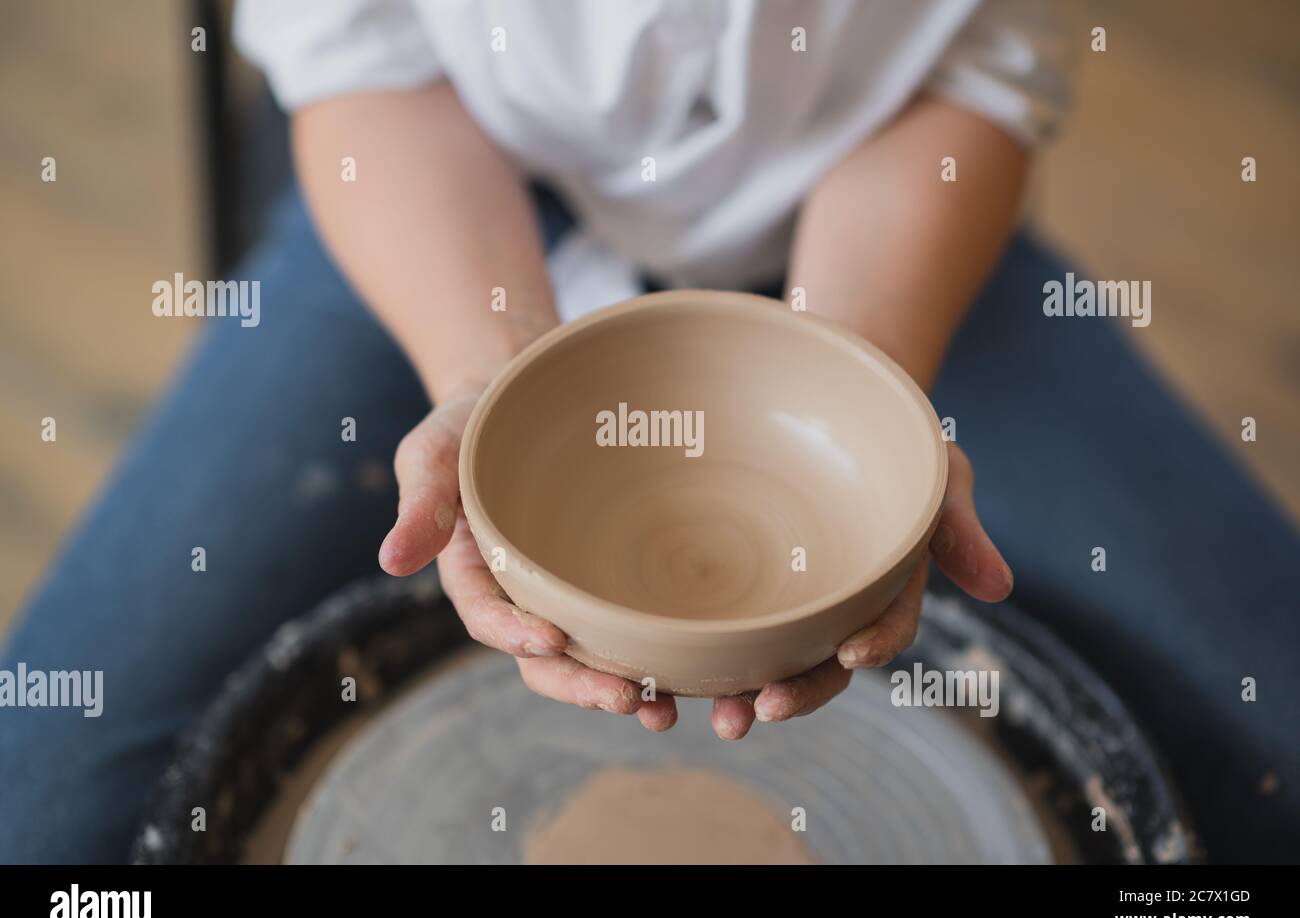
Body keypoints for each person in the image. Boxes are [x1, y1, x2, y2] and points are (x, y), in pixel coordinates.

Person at [2, 0, 1296, 864]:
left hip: (870, 232)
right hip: (452, 209)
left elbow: (977, 73)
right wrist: (486, 379)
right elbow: (363, 72)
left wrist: (862, 384)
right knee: (41, 805)